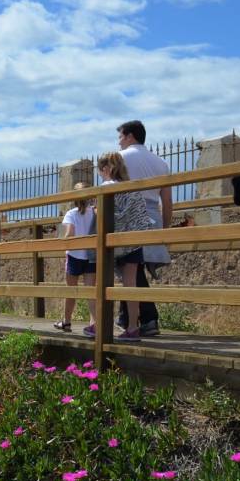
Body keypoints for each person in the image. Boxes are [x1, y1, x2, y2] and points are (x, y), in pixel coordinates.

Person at [84, 153, 154, 341]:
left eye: (100, 171)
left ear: (106, 169)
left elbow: (103, 214)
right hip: (133, 240)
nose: (100, 174)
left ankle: (99, 325)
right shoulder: (131, 187)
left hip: (114, 241)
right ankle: (133, 327)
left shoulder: (106, 187)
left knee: (102, 284)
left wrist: (96, 210)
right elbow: (139, 214)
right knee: (131, 284)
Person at [115, 120, 172, 336]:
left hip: (129, 215)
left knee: (129, 266)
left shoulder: (120, 158)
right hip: (153, 216)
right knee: (133, 269)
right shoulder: (161, 163)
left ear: (130, 136)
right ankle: (126, 318)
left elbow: (113, 191)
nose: (119, 142)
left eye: (120, 137)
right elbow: (167, 201)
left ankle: (148, 318)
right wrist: (165, 229)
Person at [54, 183, 96, 333]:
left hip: (74, 255)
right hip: (91, 255)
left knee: (70, 291)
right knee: (91, 292)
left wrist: (62, 240)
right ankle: (94, 324)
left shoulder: (71, 214)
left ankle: (66, 322)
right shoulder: (95, 212)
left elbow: (69, 234)